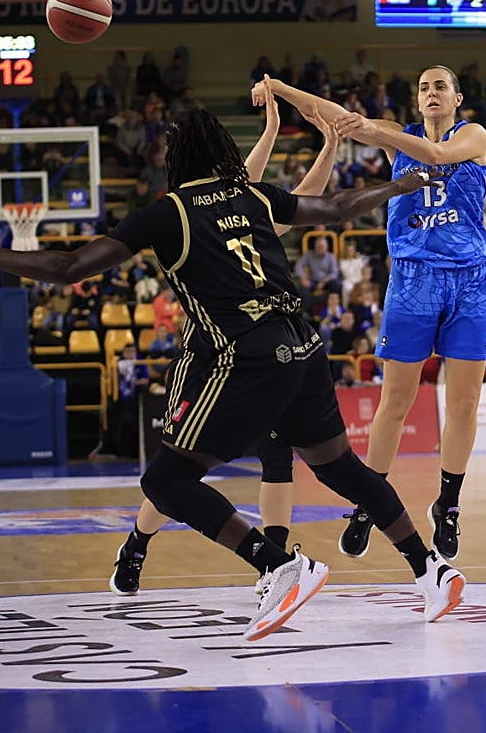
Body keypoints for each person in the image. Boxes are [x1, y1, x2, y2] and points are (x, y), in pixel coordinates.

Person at [0, 105, 464, 643]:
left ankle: (276, 564)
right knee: (340, 467)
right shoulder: (251, 195)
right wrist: (403, 183)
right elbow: (336, 206)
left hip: (247, 356)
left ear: (178, 156)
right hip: (304, 345)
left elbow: (71, 268)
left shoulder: (168, 212)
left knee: (166, 480)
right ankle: (431, 569)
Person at [110, 83, 344, 598]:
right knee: (177, 467)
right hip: (208, 356)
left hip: (268, 350)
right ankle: (136, 543)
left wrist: (327, 146)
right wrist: (274, 129)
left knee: (277, 455)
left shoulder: (255, 216)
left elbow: (294, 199)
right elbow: (239, 182)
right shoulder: (209, 211)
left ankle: (277, 566)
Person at [263, 66, 486, 562]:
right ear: (417, 99)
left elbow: (434, 156)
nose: (432, 93)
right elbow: (327, 114)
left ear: (457, 97)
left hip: (470, 281)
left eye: (440, 87)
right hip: (413, 280)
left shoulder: (473, 136)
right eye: (424, 87)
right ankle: (371, 500)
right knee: (395, 402)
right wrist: (283, 91)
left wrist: (371, 129)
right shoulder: (398, 139)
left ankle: (447, 506)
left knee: (465, 404)